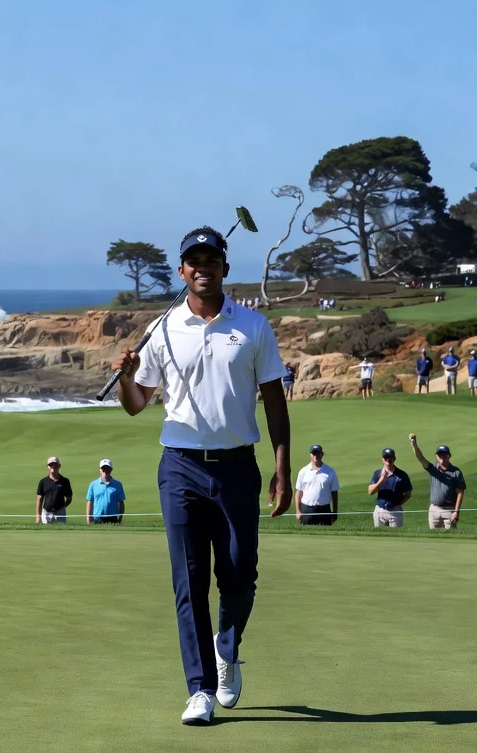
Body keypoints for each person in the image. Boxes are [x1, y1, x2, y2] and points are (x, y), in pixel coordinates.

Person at [110, 224, 292, 725]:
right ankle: (200, 690)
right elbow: (136, 403)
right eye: (194, 261)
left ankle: (226, 647)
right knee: (188, 582)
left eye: (211, 260)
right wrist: (126, 378)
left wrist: (282, 469)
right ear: (182, 270)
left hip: (237, 467)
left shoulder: (252, 326)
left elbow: (275, 402)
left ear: (224, 268)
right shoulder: (163, 329)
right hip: (180, 467)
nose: (203, 267)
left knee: (240, 575)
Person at [410, 436, 465, 530]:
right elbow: (421, 458)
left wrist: (456, 511)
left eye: (444, 455)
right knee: (434, 536)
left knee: (451, 536)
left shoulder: (456, 472)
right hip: (434, 509)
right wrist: (414, 444)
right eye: (440, 455)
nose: (442, 457)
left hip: (449, 510)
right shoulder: (433, 469)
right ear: (436, 456)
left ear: (449, 456)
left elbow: (460, 492)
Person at [367, 447, 412, 527]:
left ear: (394, 458)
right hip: (380, 510)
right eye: (386, 457)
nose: (388, 460)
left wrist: (397, 504)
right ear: (382, 459)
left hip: (395, 511)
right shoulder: (377, 473)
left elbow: (408, 494)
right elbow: (370, 492)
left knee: (395, 534)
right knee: (379, 534)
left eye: (390, 457)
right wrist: (381, 480)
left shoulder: (402, 475)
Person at [295, 444, 339, 526]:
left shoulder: (330, 471)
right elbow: (299, 492)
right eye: (313, 453)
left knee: (325, 532)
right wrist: (298, 511)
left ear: (322, 454)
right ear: (310, 455)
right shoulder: (303, 471)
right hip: (307, 509)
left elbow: (334, 493)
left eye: (318, 453)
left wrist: (335, 512)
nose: (315, 456)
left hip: (324, 509)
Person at [35, 456, 73, 524]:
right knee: (46, 530)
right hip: (46, 512)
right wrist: (38, 516)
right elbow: (39, 499)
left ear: (59, 466)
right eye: (50, 465)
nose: (53, 466)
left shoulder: (65, 481)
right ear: (47, 467)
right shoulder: (43, 482)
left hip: (60, 513)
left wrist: (62, 507)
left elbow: (69, 498)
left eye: (55, 464)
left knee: (61, 530)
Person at [86, 459, 125, 524]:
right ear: (99, 469)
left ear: (111, 469)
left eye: (107, 468)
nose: (105, 470)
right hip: (97, 518)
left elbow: (121, 502)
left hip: (113, 518)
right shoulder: (93, 484)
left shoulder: (118, 484)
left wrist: (120, 518)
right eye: (103, 468)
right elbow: (90, 501)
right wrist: (88, 518)